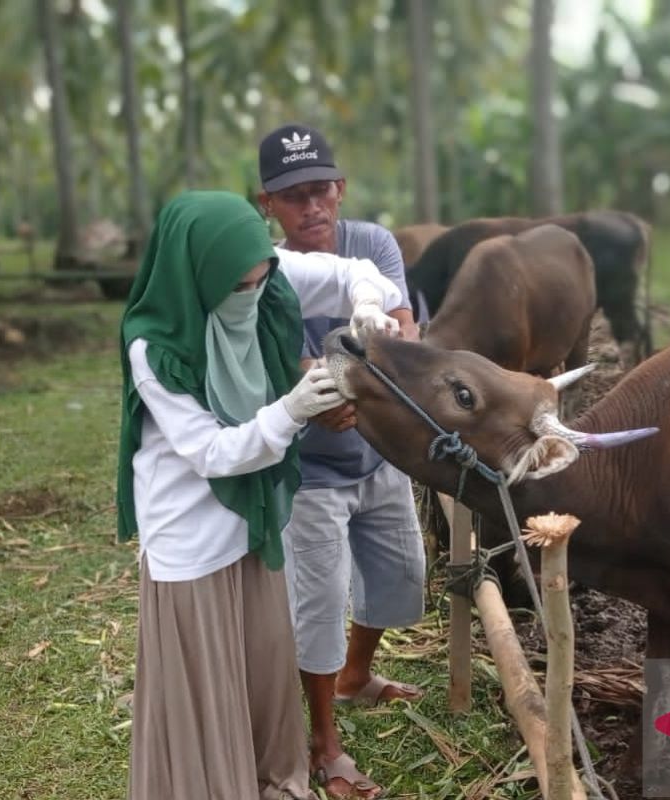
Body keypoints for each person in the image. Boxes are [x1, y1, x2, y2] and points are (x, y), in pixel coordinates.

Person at [116, 190, 403, 800]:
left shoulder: (268, 279)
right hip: (192, 537)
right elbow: (212, 455)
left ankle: (275, 779)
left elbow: (356, 271)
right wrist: (292, 409)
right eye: (237, 288)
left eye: (258, 280)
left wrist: (370, 307)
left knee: (262, 666)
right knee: (208, 689)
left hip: (253, 519)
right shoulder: (157, 349)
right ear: (197, 277)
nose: (252, 296)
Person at [257, 124, 426, 800]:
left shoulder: (373, 245)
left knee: (400, 575)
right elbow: (284, 361)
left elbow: (403, 327)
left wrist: (358, 384)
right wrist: (320, 392)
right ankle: (324, 744)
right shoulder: (265, 270)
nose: (312, 209)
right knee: (320, 603)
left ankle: (357, 676)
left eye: (321, 191)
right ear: (267, 204)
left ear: (341, 188)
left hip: (380, 449)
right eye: (293, 197)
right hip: (313, 469)